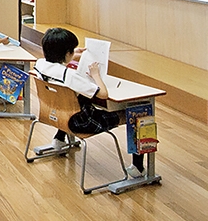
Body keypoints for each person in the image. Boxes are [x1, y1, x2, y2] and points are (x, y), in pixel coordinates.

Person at [34, 27, 146, 178]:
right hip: (82, 123)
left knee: (69, 101)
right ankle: (138, 168)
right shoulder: (70, 76)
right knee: (139, 113)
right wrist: (96, 75)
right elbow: (103, 94)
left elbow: (57, 68)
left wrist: (72, 55)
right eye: (71, 51)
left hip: (55, 116)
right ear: (67, 54)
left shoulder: (40, 64)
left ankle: (59, 139)